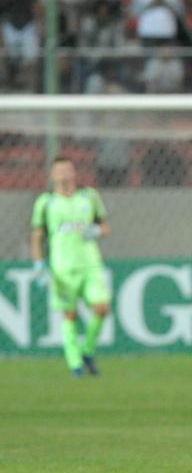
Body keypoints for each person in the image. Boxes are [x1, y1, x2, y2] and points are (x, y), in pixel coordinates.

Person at [31, 157, 111, 377]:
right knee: (70, 313)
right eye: (59, 170)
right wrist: (38, 263)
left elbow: (104, 226)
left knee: (102, 308)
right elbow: (37, 236)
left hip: (90, 263)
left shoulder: (89, 197)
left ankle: (88, 350)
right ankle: (75, 363)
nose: (64, 174)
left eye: (68, 169)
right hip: (63, 267)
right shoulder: (46, 203)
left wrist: (96, 231)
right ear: (52, 175)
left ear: (75, 172)